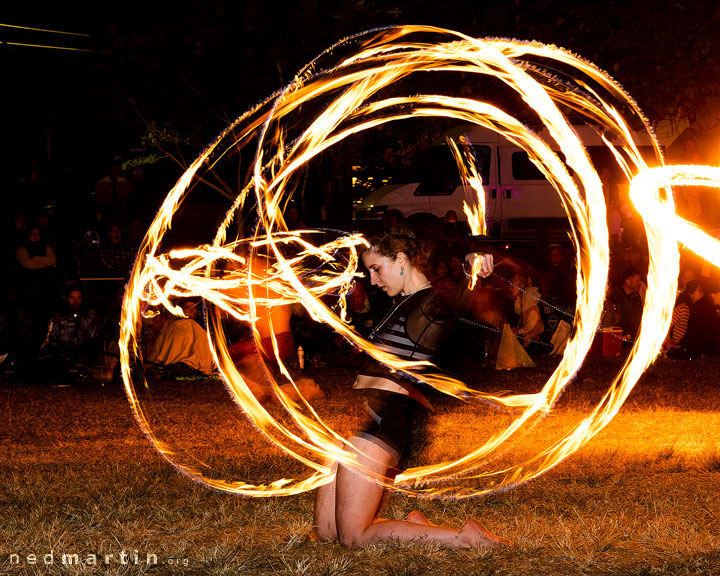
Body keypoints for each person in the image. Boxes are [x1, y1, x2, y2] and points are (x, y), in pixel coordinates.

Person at [313, 227, 510, 549]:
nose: (373, 280)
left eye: (377, 268)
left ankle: (465, 538)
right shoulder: (405, 304)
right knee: (326, 535)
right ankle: (415, 528)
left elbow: (455, 299)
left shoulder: (430, 304)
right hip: (355, 424)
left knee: (353, 538)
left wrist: (469, 265)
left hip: (380, 422)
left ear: (401, 260)